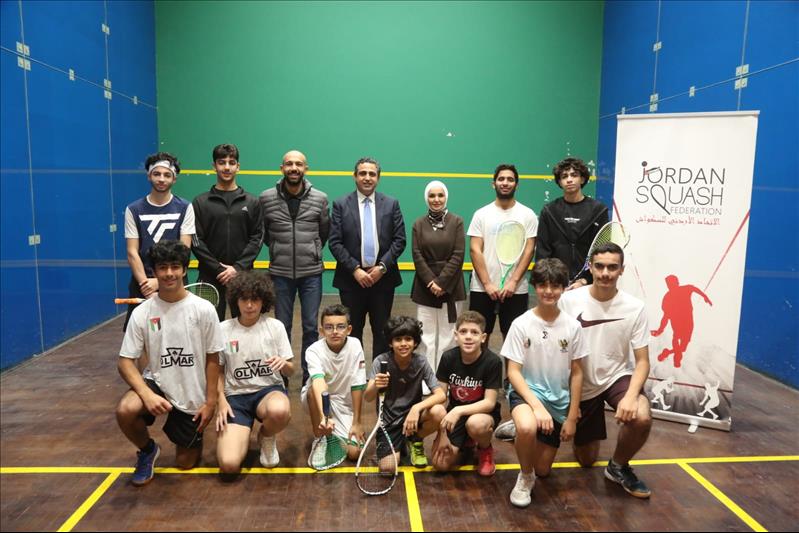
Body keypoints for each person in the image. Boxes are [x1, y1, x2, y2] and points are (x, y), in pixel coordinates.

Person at [115, 240, 223, 486]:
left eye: (175, 266)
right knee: (126, 410)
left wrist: (210, 403)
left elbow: (213, 358)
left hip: (191, 392)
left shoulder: (204, 310)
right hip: (157, 382)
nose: (169, 273)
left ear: (184, 270)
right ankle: (147, 450)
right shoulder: (143, 312)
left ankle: (190, 436)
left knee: (185, 463)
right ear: (154, 272)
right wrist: (146, 394)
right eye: (162, 267)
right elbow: (125, 362)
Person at [559, 242, 653, 499]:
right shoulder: (568, 301)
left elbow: (642, 361)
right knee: (587, 460)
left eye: (612, 268)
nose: (605, 273)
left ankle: (618, 466)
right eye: (599, 266)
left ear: (622, 270)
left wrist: (631, 396)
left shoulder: (634, 307)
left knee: (641, 416)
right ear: (590, 267)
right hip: (581, 383)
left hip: (615, 377)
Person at [500, 259, 587, 507]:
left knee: (544, 470)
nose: (549, 291)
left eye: (555, 286)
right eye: (543, 285)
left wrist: (571, 417)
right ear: (534, 286)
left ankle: (519, 432)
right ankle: (525, 476)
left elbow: (577, 373)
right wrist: (536, 407)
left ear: (563, 288)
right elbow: (513, 372)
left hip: (557, 400)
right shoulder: (521, 324)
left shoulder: (573, 327)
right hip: (527, 392)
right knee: (528, 428)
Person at [260, 150, 329, 385]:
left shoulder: (320, 198)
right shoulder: (266, 198)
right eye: (289, 164)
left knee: (310, 327)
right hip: (280, 273)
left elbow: (323, 232)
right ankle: (283, 377)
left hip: (311, 273)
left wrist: (311, 250)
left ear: (305, 168)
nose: (294, 168)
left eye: (298, 164)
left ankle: (309, 376)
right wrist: (279, 249)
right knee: (282, 326)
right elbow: (264, 234)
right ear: (282, 168)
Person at [215, 271, 293, 473]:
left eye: (255, 299)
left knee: (280, 411)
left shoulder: (275, 327)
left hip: (268, 391)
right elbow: (218, 371)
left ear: (263, 300)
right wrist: (221, 401)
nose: (249, 305)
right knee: (229, 465)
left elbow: (291, 370)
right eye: (244, 299)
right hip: (236, 397)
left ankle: (266, 435)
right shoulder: (223, 329)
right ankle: (240, 431)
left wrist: (283, 364)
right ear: (236, 300)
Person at [329, 157, 406, 360]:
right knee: (352, 332)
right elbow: (335, 242)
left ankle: (378, 375)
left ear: (378, 178)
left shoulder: (391, 204)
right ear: (355, 176)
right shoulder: (340, 204)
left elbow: (400, 240)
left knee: (382, 331)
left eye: (372, 174)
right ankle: (356, 374)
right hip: (351, 280)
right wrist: (355, 269)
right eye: (363, 173)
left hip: (383, 279)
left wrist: (382, 268)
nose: (367, 178)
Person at [467, 163, 538, 346]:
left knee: (514, 341)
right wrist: (487, 284)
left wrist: (513, 281)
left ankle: (511, 369)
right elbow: (475, 249)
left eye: (510, 179)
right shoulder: (481, 214)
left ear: (517, 185)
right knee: (479, 338)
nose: (505, 183)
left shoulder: (528, 215)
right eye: (501, 179)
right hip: (482, 288)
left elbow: (529, 250)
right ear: (494, 184)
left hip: (516, 289)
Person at [192, 144, 264, 321]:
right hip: (210, 276)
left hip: (243, 276)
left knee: (244, 327)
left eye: (231, 162)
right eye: (221, 162)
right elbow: (196, 240)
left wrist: (237, 268)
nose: (226, 167)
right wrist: (218, 269)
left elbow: (257, 238)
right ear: (214, 166)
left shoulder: (252, 202)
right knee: (208, 328)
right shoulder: (200, 202)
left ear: (238, 167)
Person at [123, 152, 195, 330]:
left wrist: (160, 281)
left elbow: (184, 250)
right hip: (143, 284)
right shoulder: (133, 209)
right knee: (145, 336)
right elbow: (132, 252)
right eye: (157, 174)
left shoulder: (186, 208)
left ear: (174, 179)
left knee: (178, 333)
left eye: (167, 175)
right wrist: (146, 284)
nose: (161, 179)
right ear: (149, 176)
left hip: (175, 282)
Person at [428, 311, 503, 477]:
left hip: (482, 414)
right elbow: (440, 397)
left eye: (474, 332)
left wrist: (458, 411)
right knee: (440, 465)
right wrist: (442, 433)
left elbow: (489, 403)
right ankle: (467, 441)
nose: (468, 337)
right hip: (455, 416)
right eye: (463, 332)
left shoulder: (492, 362)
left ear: (483, 337)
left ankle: (484, 448)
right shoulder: (448, 357)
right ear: (456, 335)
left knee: (476, 424)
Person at [364, 316, 445, 467]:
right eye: (398, 339)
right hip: (389, 423)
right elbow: (367, 397)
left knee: (439, 411)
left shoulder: (420, 362)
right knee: (388, 468)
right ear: (390, 342)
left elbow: (440, 394)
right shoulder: (380, 361)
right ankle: (400, 444)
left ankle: (415, 440)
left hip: (413, 419)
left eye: (408, 339)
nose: (403, 344)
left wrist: (416, 408)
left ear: (415, 343)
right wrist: (375, 384)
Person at [411, 180, 466, 372]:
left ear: (446, 197)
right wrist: (431, 282)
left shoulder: (457, 222)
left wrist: (442, 282)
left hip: (451, 287)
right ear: (426, 198)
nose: (436, 199)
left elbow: (458, 254)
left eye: (440, 195)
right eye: (432, 195)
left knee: (448, 336)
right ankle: (427, 377)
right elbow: (417, 255)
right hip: (425, 287)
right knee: (425, 336)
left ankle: (444, 377)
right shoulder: (418, 224)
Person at [301, 304, 367, 461]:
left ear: (349, 329)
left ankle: (334, 435)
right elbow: (318, 383)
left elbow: (357, 385)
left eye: (340, 327)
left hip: (344, 404)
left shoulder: (355, 345)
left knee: (354, 453)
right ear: (321, 331)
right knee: (311, 391)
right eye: (329, 327)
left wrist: (357, 422)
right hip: (319, 400)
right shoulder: (313, 350)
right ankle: (320, 438)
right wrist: (324, 416)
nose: (335, 331)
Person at [536, 157, 608, 290]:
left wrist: (585, 280)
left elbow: (602, 252)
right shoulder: (549, 211)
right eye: (564, 176)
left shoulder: (598, 210)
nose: (569, 180)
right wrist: (552, 281)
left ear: (582, 179)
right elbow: (542, 252)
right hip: (555, 285)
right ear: (559, 182)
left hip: (588, 285)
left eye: (574, 175)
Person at [651, 274, 713, 368]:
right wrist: (660, 330)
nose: (670, 286)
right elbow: (665, 317)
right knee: (677, 341)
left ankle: (668, 352)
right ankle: (676, 358)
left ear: (677, 283)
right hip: (678, 325)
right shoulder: (667, 298)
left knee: (683, 348)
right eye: (669, 284)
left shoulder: (685, 289)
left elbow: (694, 289)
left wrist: (705, 297)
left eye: (672, 283)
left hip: (688, 324)